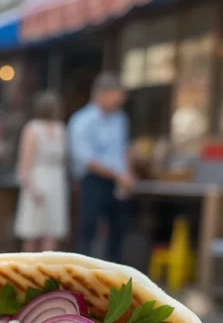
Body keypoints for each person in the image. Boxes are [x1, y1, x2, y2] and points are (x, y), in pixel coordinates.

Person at [68, 73, 135, 262]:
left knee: (118, 232)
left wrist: (127, 174)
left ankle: (116, 276)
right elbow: (85, 158)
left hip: (118, 181)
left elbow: (123, 149)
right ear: (103, 94)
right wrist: (117, 175)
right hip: (93, 181)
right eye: (117, 95)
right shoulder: (82, 120)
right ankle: (80, 273)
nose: (121, 100)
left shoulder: (120, 119)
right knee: (88, 230)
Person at [14, 91, 68, 252]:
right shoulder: (33, 129)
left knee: (51, 232)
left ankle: (47, 267)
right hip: (38, 179)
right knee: (32, 232)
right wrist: (31, 188)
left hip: (54, 181)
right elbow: (25, 162)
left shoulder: (60, 129)